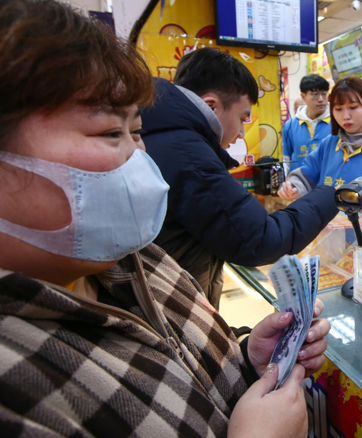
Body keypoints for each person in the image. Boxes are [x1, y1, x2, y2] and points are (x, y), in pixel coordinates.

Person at [0, 2, 329, 437]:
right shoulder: (18, 386)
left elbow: (186, 376)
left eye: (136, 130)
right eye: (109, 133)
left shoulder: (140, 259)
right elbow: (258, 239)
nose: (141, 159)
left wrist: (246, 360)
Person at [140, 48, 338, 309]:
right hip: (172, 309)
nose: (243, 133)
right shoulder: (187, 152)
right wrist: (332, 194)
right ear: (211, 106)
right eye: (243, 117)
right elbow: (260, 239)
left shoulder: (161, 134)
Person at [279, 77, 362, 216]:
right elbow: (305, 177)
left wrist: (357, 204)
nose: (346, 116)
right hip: (326, 234)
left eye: (353, 107)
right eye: (338, 109)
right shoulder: (329, 144)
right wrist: (293, 186)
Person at [282, 74, 331, 174]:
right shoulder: (290, 125)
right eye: (315, 95)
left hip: (328, 183)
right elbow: (286, 159)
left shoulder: (337, 121)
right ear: (303, 96)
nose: (321, 99)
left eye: (324, 94)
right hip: (298, 184)